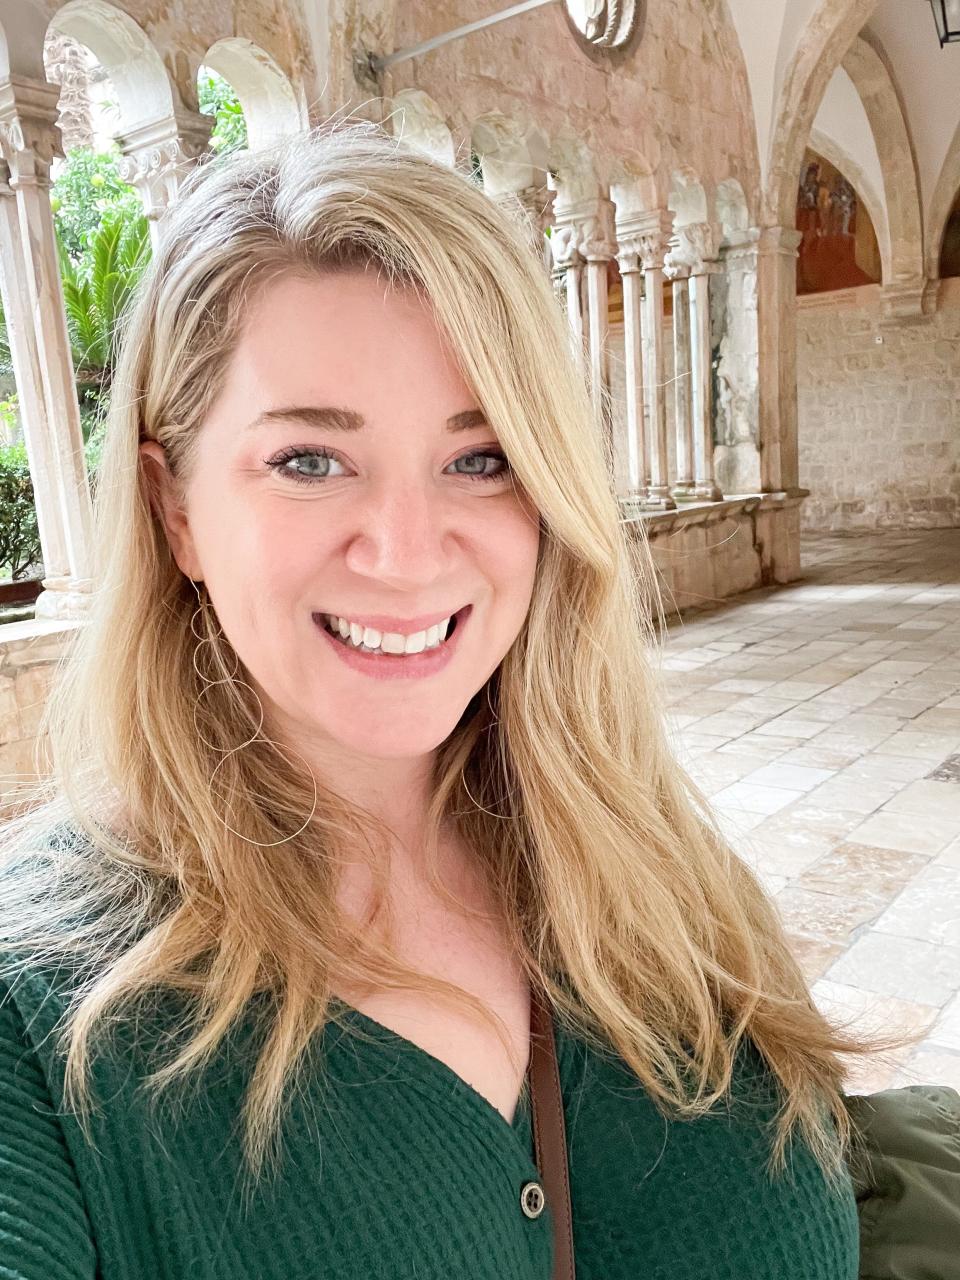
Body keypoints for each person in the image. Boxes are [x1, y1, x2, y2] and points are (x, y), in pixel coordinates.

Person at [0, 119, 870, 1279]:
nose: (407, 554)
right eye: (309, 459)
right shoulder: (42, 1018)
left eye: (481, 456)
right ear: (176, 511)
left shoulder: (650, 861)